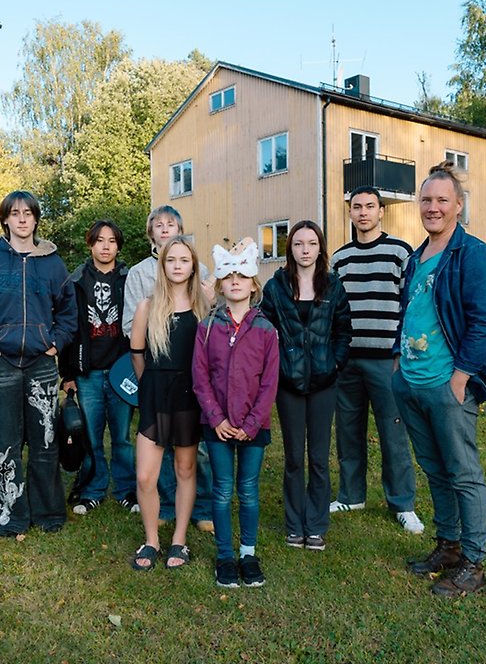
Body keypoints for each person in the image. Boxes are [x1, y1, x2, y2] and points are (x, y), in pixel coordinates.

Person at [392, 162, 486, 596]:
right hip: (411, 382)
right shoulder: (415, 258)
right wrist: (398, 364)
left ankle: (474, 564)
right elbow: (410, 312)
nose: (432, 207)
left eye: (442, 200)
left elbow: (483, 323)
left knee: (463, 472)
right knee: (434, 469)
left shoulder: (474, 255)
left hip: (446, 384)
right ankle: (449, 546)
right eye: (426, 200)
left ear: (458, 205)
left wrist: (460, 378)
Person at [0, 190, 77, 536]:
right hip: (2, 364)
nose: (22, 219)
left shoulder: (53, 264)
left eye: (28, 213)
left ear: (36, 219)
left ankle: (48, 512)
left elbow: (68, 315)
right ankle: (8, 515)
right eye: (15, 213)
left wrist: (54, 345)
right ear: (5, 220)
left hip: (41, 364)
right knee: (5, 442)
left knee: (45, 441)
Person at [331, 185, 424, 533]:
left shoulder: (400, 252)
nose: (363, 212)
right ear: (350, 212)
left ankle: (402, 503)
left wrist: (402, 354)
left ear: (381, 211)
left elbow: (411, 305)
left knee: (393, 432)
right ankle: (351, 495)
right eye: (357, 207)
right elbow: (334, 310)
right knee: (348, 431)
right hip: (349, 360)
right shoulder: (340, 259)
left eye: (370, 206)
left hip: (387, 360)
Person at [123, 206, 215, 533]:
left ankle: (184, 531)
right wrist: (150, 383)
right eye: (171, 261)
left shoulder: (203, 307)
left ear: (194, 266)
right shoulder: (148, 305)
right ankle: (155, 531)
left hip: (190, 394)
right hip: (156, 393)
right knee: (147, 473)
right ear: (161, 265)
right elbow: (137, 354)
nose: (177, 266)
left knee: (188, 464)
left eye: (184, 260)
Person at [261, 220, 352, 551]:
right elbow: (264, 330)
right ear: (290, 249)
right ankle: (294, 523)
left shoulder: (333, 286)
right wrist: (276, 367)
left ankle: (315, 525)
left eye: (311, 244)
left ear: (320, 248)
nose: (305, 250)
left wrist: (335, 362)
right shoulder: (276, 287)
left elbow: (343, 331)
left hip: (324, 382)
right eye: (298, 244)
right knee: (294, 457)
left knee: (318, 457)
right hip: (288, 383)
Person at [193, 239, 279, 588]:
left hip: (252, 427)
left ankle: (247, 553)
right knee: (222, 489)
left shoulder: (266, 329)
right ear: (220, 284)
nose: (235, 282)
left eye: (242, 277)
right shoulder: (207, 327)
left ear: (253, 285)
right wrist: (217, 418)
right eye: (228, 277)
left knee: (248, 490)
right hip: (217, 426)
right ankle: (225, 555)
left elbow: (270, 382)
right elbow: (200, 378)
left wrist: (252, 423)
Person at [60, 220, 137, 515]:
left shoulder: (129, 279)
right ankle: (92, 489)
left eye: (112, 241)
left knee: (122, 438)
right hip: (88, 373)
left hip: (121, 371)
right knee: (92, 437)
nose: (106, 247)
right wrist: (67, 374)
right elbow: (67, 328)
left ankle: (127, 490)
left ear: (118, 246)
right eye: (100, 240)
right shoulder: (76, 281)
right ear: (90, 244)